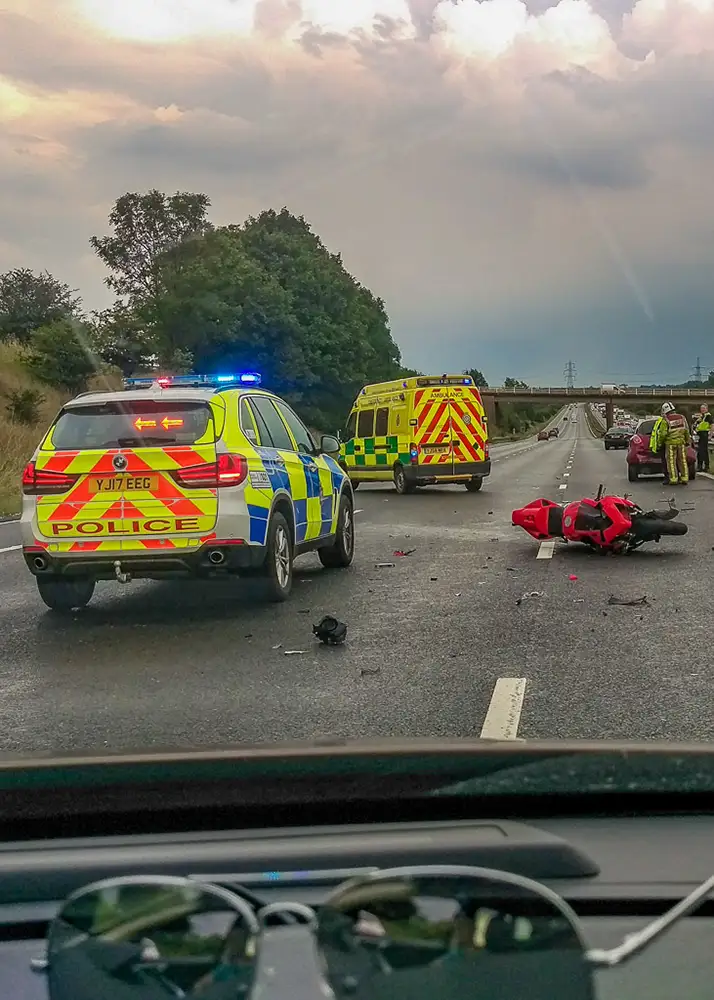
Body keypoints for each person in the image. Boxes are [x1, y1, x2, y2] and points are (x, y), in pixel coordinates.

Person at [651, 401, 691, 485]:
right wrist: (687, 440)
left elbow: (663, 434)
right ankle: (684, 478)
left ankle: (673, 479)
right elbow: (686, 430)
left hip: (670, 444)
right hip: (681, 443)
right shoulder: (682, 417)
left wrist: (659, 444)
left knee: (671, 462)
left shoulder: (666, 420)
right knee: (682, 460)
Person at [694, 403, 712, 472]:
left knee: (702, 451)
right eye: (701, 408)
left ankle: (703, 466)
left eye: (704, 408)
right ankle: (702, 466)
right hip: (700, 435)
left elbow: (712, 425)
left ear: (707, 409)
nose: (702, 409)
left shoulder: (708, 416)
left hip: (704, 434)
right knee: (701, 451)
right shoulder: (702, 417)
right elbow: (697, 425)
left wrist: (710, 434)